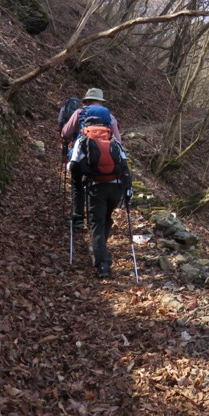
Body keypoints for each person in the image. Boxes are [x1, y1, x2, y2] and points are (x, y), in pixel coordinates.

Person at [68, 118, 132, 279]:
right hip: (116, 187)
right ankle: (100, 247)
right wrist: (128, 189)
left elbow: (73, 165)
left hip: (96, 187)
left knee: (95, 223)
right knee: (106, 218)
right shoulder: (113, 141)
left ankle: (102, 262)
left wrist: (78, 176)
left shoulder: (83, 139)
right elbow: (124, 165)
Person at [60, 88, 121, 230]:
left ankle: (78, 219)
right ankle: (95, 221)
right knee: (96, 185)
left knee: (77, 184)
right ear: (101, 102)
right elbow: (117, 141)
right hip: (102, 158)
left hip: (81, 157)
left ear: (86, 101)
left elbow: (65, 133)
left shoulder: (79, 113)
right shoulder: (110, 118)